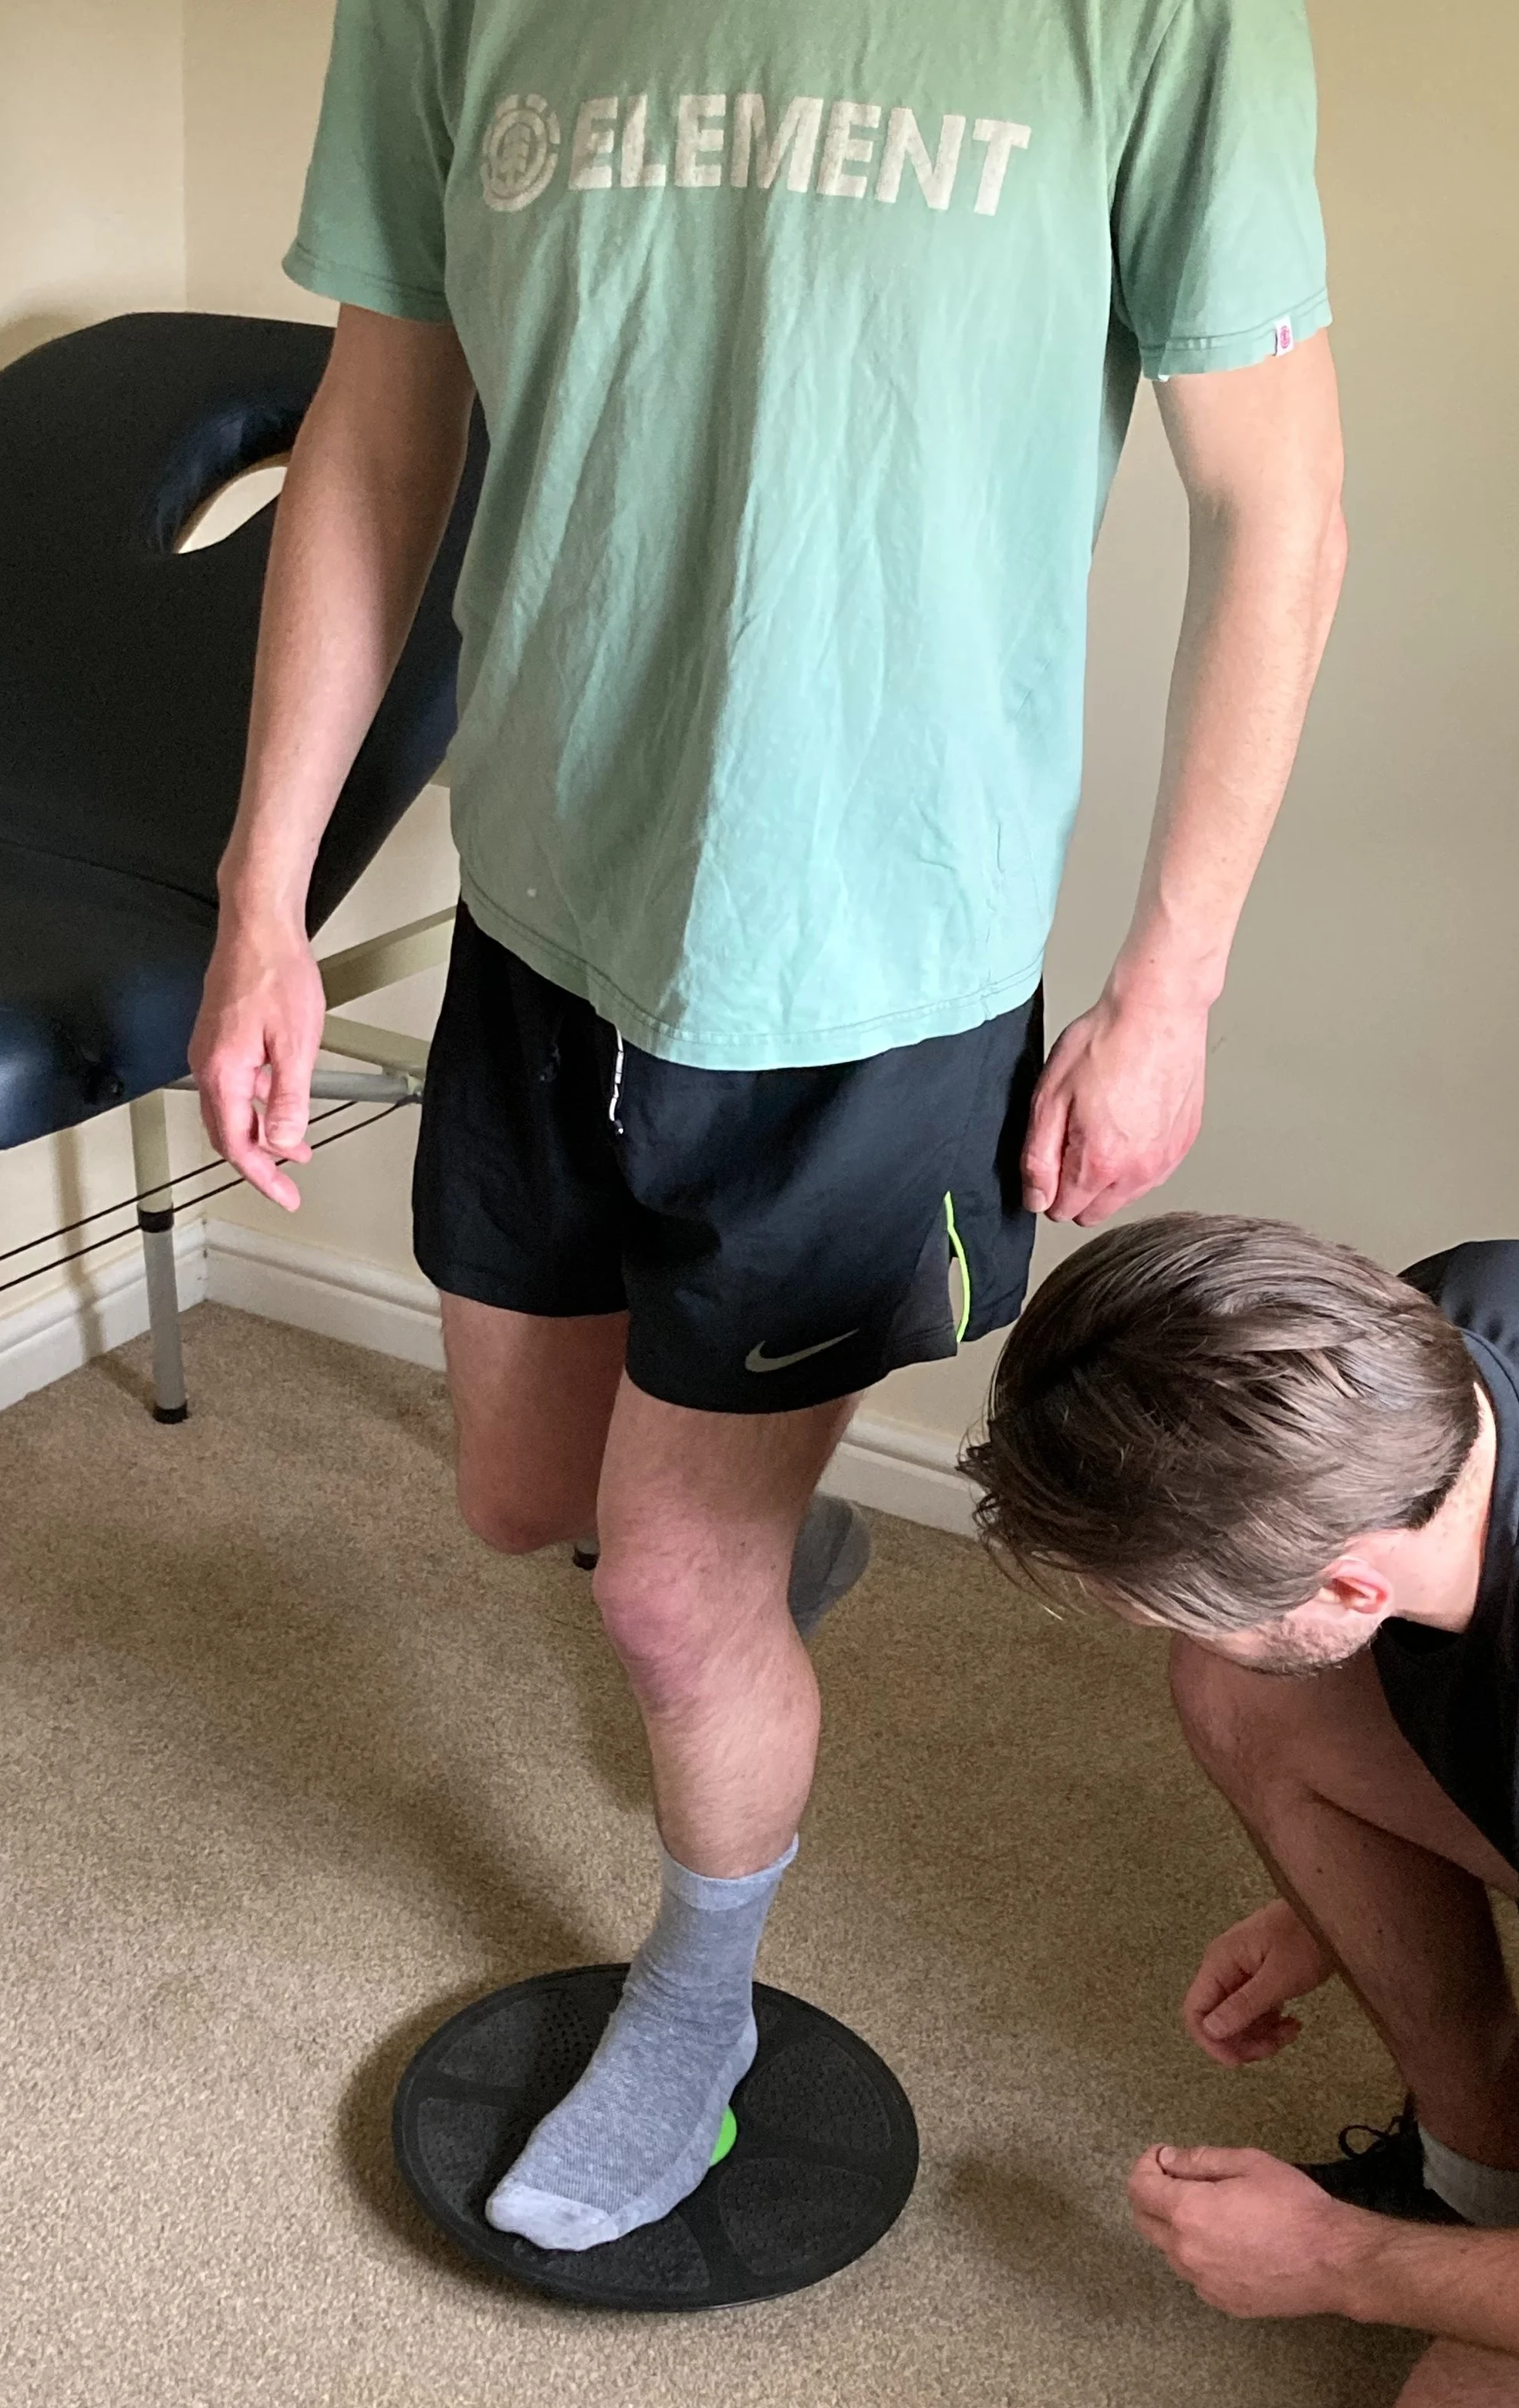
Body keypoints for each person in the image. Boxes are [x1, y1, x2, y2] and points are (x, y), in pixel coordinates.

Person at [187, 2, 1348, 2255]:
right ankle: (730, 1556)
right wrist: (266, 901)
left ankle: (696, 1997)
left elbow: (1274, 500)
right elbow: (373, 427)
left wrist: (1165, 983)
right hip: (548, 910)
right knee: (532, 1499)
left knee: (673, 1600)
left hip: (875, 972)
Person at [962, 1215, 1519, 2408]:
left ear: (1351, 1580)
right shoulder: (1455, 1319)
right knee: (1258, 1692)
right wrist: (1341, 1896)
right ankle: (1481, 2181)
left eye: (1168, 1605)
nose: (1153, 1634)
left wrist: (1341, 2264)